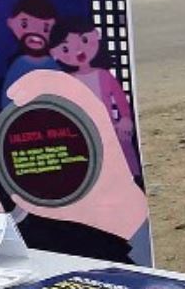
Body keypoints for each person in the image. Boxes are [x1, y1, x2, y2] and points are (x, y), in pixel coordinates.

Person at [50, 15, 142, 177]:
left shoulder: (104, 75)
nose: (78, 50)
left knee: (121, 168)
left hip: (110, 130)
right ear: (55, 53)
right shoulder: (68, 80)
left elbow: (121, 100)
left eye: (84, 40)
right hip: (83, 133)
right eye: (66, 48)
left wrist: (126, 119)